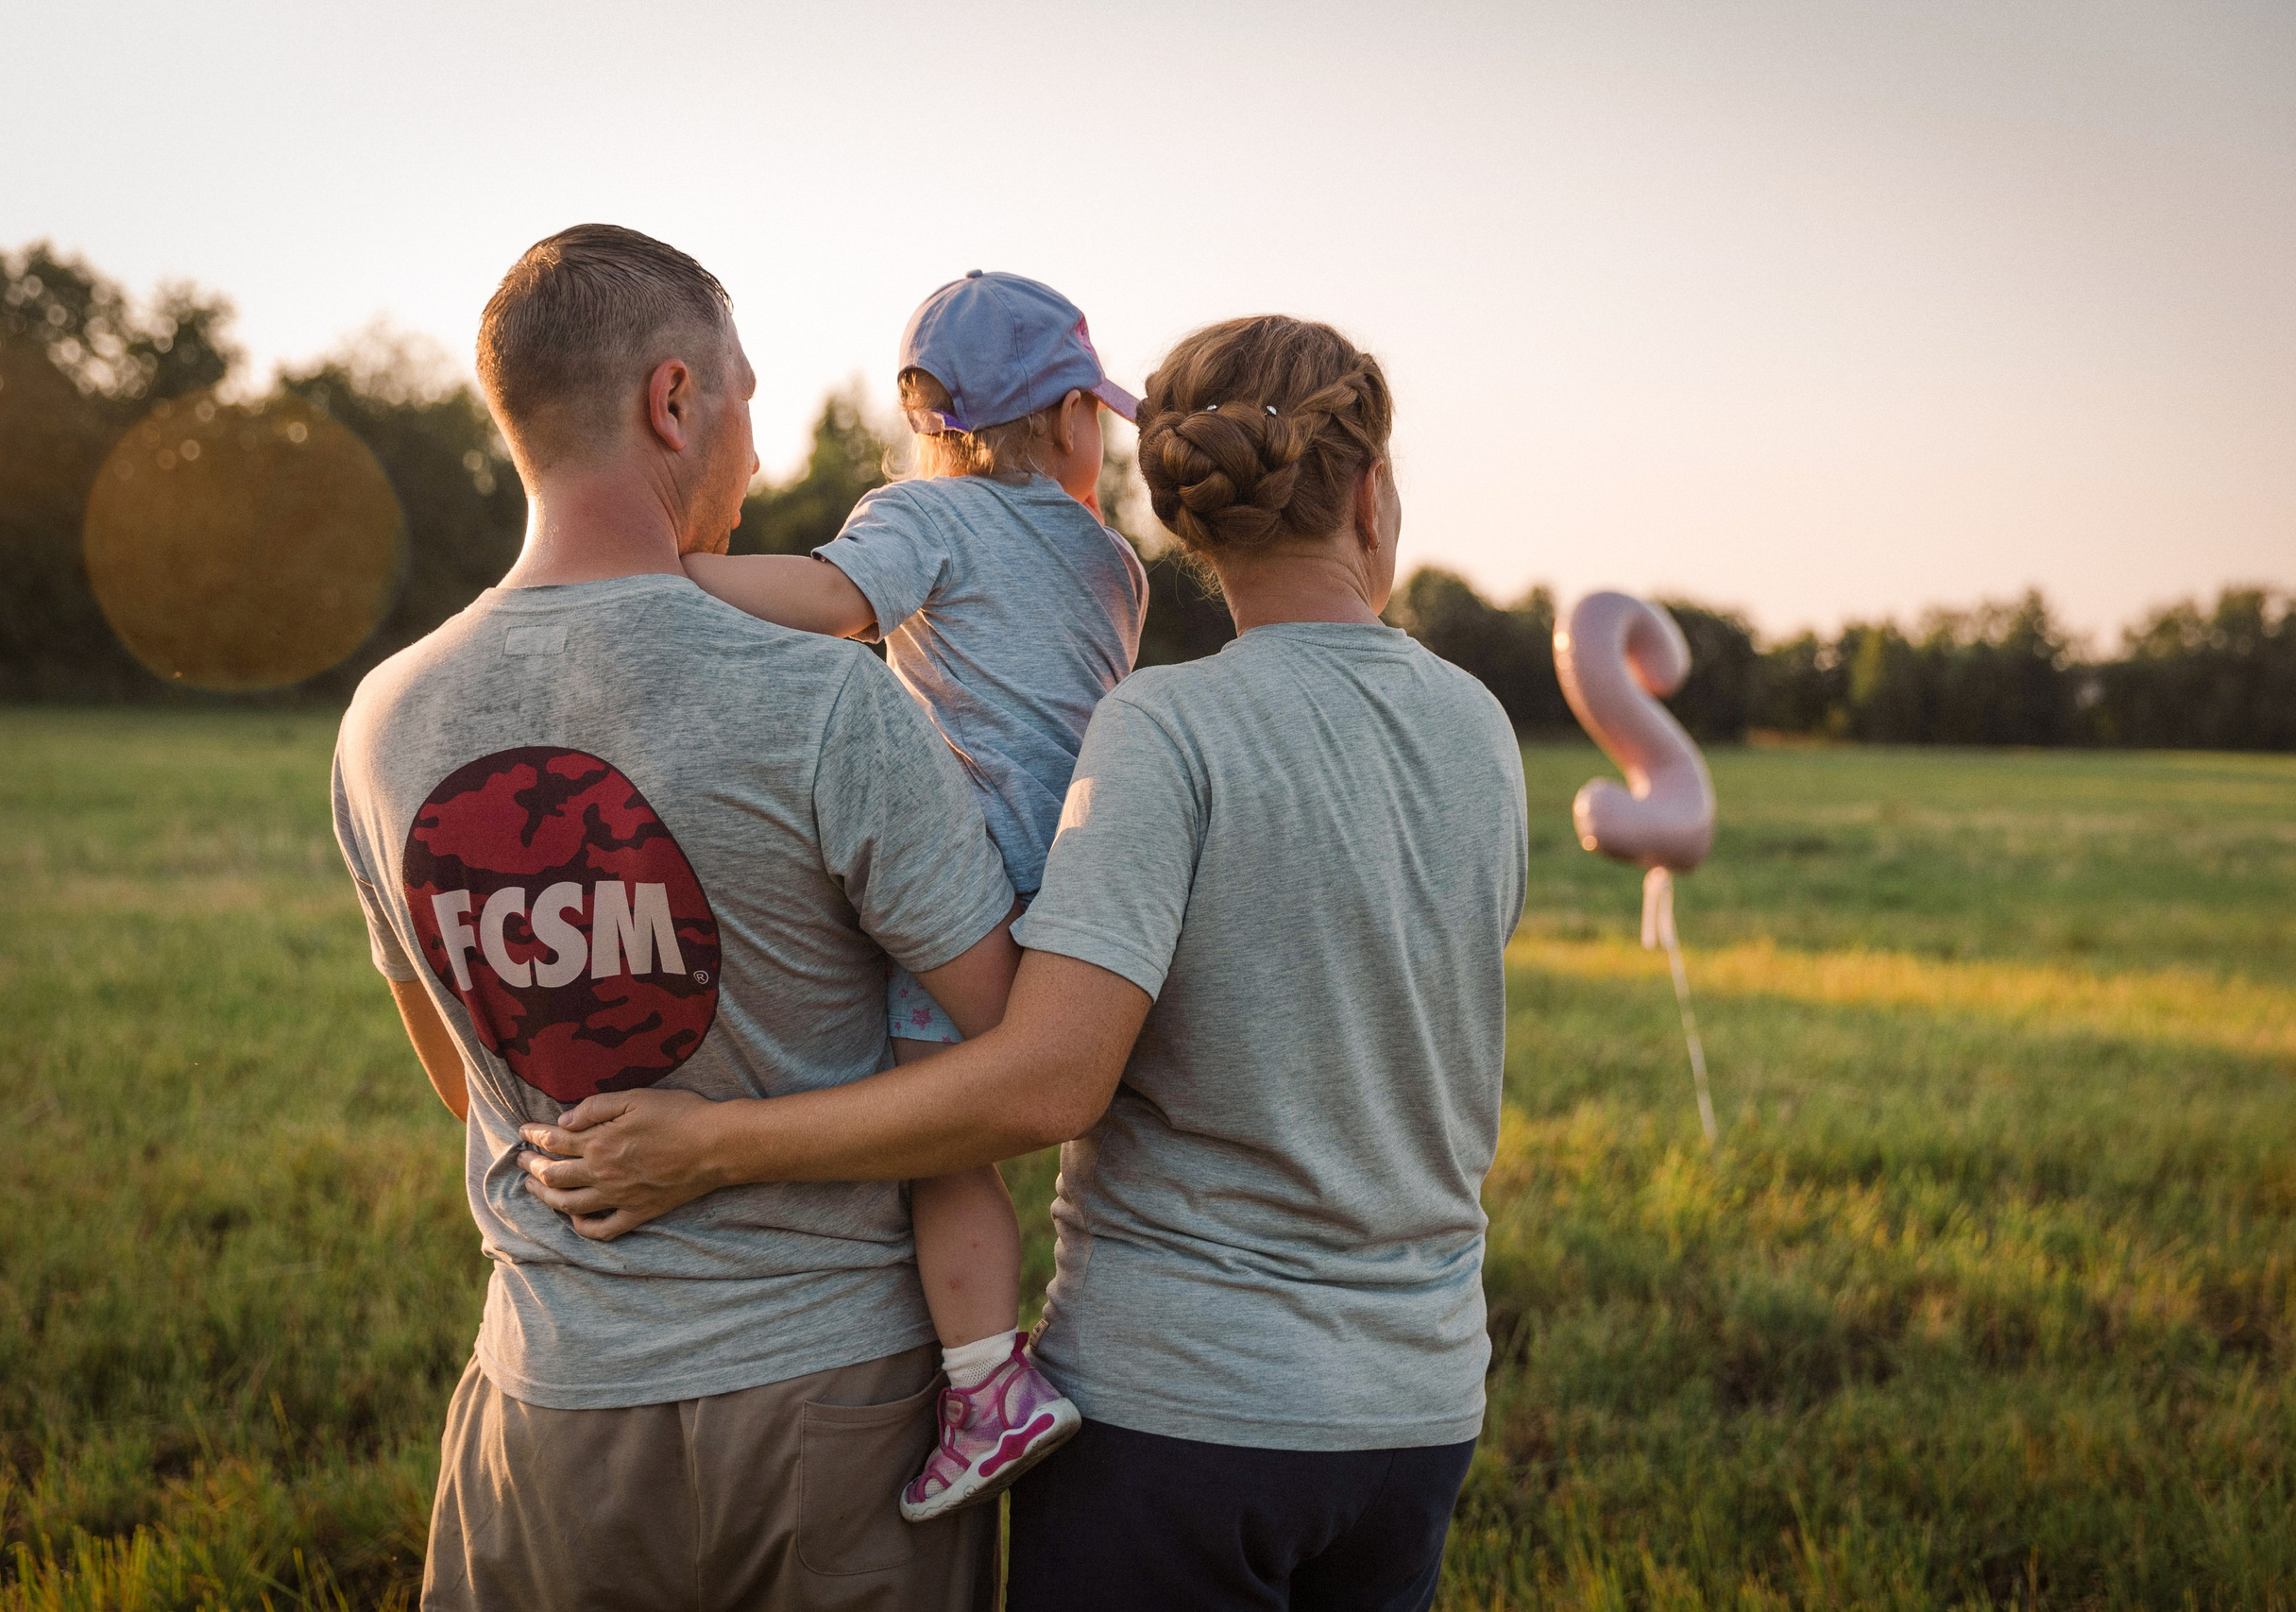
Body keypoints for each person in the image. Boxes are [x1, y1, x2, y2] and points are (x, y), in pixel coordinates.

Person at [519, 314, 1530, 1611]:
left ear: (1190, 522)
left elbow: (1048, 1084)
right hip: (1418, 1412)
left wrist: (712, 1145)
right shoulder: (1481, 728)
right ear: (1372, 498)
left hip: (1183, 1417)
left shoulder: (1166, 728)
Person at [329, 223, 1018, 1611]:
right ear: (672, 399)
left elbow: (462, 1072)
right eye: (747, 399)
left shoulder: (382, 720)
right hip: (833, 1428)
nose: (757, 457)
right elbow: (1004, 1060)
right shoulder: (826, 696)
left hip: (548, 1415)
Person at [680, 269, 1149, 1519]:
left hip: (972, 880)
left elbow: (835, 604)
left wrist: (668, 575)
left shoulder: (929, 516)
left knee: (940, 1147)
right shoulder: (1113, 562)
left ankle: (988, 1385)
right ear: (1066, 421)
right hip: (1095, 889)